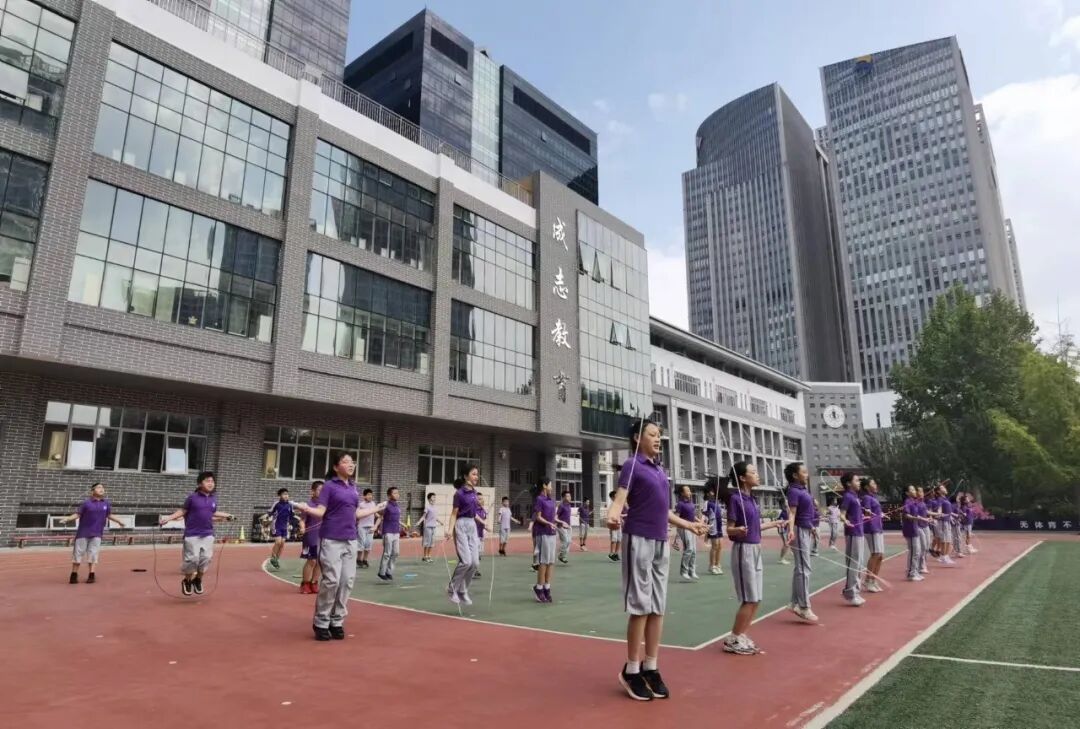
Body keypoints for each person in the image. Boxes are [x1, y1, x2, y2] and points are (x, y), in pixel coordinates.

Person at [608, 418, 706, 700]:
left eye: (659, 434)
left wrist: (689, 525)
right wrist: (612, 514)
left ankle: (651, 666)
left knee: (657, 606)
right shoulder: (632, 465)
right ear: (637, 438)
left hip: (661, 540)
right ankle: (631, 669)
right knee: (640, 606)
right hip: (638, 539)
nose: (658, 438)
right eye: (652, 434)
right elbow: (620, 498)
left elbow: (664, 510)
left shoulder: (660, 470)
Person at [295, 452, 385, 641]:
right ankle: (321, 621)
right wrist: (307, 508)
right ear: (336, 467)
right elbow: (321, 511)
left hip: (350, 539)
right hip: (331, 539)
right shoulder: (329, 486)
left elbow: (355, 513)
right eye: (346, 462)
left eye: (352, 462)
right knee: (331, 581)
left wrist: (376, 509)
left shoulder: (353, 487)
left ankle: (336, 620)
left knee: (346, 581)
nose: (351, 465)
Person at [724, 461, 786, 655]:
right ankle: (733, 639)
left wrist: (774, 523)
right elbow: (729, 529)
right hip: (744, 551)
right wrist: (738, 530)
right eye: (753, 472)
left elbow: (755, 527)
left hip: (756, 548)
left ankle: (742, 634)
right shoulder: (736, 499)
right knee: (749, 598)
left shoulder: (752, 499)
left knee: (757, 598)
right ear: (743, 478)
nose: (758, 475)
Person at [159, 472, 235, 597]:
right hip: (192, 534)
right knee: (192, 559)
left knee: (206, 559)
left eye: (212, 481)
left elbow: (212, 513)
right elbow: (183, 510)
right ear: (200, 484)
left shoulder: (213, 499)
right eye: (207, 481)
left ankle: (198, 580)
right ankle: (187, 581)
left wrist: (228, 516)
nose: (210, 483)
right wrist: (168, 518)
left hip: (208, 534)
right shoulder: (192, 498)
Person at [59, 482, 126, 584]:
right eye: (98, 487)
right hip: (83, 533)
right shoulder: (86, 503)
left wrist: (119, 521)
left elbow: (109, 515)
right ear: (92, 491)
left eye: (103, 487)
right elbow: (78, 514)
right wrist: (67, 519)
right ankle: (73, 575)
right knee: (78, 554)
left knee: (93, 554)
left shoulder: (106, 503)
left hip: (97, 533)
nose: (101, 489)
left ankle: (91, 575)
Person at [784, 462, 818, 623]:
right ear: (795, 475)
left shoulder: (803, 490)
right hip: (798, 530)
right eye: (804, 472)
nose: (807, 474)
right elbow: (792, 513)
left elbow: (806, 513)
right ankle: (804, 607)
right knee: (804, 568)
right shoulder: (793, 491)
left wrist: (811, 526)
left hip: (805, 528)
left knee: (801, 568)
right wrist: (791, 530)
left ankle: (794, 603)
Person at [446, 464, 482, 606]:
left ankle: (462, 590)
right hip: (461, 525)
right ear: (466, 476)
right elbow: (454, 513)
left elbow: (473, 513)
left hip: (472, 525)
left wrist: (483, 523)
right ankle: (452, 588)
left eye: (477, 474)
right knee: (466, 561)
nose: (476, 477)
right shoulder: (459, 494)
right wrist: (450, 530)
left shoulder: (474, 492)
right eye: (474, 474)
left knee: (475, 562)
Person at [838, 473, 866, 606]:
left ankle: (856, 591)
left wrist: (863, 517)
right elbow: (842, 514)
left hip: (859, 532)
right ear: (849, 483)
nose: (859, 482)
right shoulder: (848, 496)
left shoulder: (855, 496)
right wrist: (846, 521)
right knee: (853, 563)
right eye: (856, 480)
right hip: (853, 532)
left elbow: (855, 514)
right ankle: (850, 592)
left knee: (859, 563)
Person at [532, 479, 558, 602]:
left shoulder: (551, 500)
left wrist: (559, 522)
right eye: (550, 485)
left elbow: (553, 518)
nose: (551, 488)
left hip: (552, 533)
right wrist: (548, 523)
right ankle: (539, 588)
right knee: (543, 561)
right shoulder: (539, 499)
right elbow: (538, 517)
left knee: (551, 561)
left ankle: (547, 587)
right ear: (544, 486)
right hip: (542, 533)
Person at [299, 480, 324, 594]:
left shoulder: (325, 506)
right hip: (311, 536)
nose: (322, 493)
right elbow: (302, 520)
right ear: (312, 491)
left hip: (323, 536)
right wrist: (302, 527)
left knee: (320, 561)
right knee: (312, 560)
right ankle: (305, 583)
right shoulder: (307, 505)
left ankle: (314, 582)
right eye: (319, 490)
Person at [861, 478, 885, 593]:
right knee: (875, 554)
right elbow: (867, 512)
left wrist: (880, 514)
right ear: (867, 487)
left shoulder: (874, 497)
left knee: (880, 556)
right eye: (873, 483)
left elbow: (874, 512)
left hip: (878, 528)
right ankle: (868, 580)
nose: (875, 485)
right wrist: (871, 514)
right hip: (872, 529)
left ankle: (874, 580)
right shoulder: (866, 498)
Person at [375, 486, 401, 581]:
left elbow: (396, 518)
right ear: (389, 495)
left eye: (398, 493)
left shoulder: (397, 506)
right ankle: (382, 572)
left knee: (396, 552)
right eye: (395, 493)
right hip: (388, 532)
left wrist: (403, 525)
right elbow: (379, 514)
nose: (397, 495)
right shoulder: (386, 505)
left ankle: (389, 572)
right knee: (387, 553)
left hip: (396, 532)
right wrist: (375, 526)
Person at [901, 485, 926, 582]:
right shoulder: (907, 502)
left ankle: (915, 571)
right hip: (910, 529)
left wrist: (924, 519)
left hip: (915, 528)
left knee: (917, 551)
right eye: (912, 489)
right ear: (907, 493)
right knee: (913, 552)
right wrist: (916, 518)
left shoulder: (914, 502)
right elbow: (906, 515)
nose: (914, 491)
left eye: (914, 489)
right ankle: (911, 574)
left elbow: (916, 515)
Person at [674, 484, 699, 581]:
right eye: (687, 490)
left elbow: (692, 516)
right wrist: (677, 532)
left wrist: (699, 521)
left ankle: (692, 571)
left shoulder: (691, 503)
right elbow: (676, 517)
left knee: (694, 551)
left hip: (692, 528)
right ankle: (684, 571)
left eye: (689, 490)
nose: (689, 492)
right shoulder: (680, 504)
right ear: (682, 493)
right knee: (689, 549)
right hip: (684, 528)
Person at [266, 487, 293, 571]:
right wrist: (267, 517)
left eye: (287, 494)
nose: (286, 496)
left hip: (285, 526)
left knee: (282, 544)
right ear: (280, 495)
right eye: (284, 494)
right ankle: (273, 557)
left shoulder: (290, 505)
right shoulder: (276, 504)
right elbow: (270, 512)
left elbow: (292, 515)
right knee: (278, 542)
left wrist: (292, 524)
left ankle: (276, 560)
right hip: (276, 525)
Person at [704, 483, 725, 575]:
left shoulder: (716, 503)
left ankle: (717, 564)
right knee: (715, 545)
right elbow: (704, 515)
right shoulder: (707, 503)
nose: (714, 493)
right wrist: (705, 527)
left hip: (719, 526)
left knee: (720, 546)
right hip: (713, 526)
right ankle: (711, 566)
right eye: (712, 491)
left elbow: (719, 515)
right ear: (708, 493)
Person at [356, 488, 376, 569]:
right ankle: (359, 559)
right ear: (364, 496)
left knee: (368, 544)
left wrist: (380, 516)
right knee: (361, 543)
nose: (370, 496)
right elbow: (357, 515)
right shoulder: (361, 505)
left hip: (371, 527)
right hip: (362, 527)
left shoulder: (373, 504)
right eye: (368, 495)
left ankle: (365, 560)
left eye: (371, 495)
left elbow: (375, 513)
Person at [420, 492, 442, 563]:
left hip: (433, 527)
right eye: (433, 497)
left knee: (432, 542)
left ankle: (429, 556)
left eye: (435, 497)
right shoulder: (427, 507)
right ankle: (425, 556)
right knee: (427, 542)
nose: (434, 498)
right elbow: (423, 516)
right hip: (428, 527)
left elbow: (435, 517)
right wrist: (419, 522)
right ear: (429, 499)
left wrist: (440, 522)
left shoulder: (435, 508)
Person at [915, 487, 932, 575]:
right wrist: (925, 519)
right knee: (923, 546)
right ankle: (921, 566)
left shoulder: (923, 503)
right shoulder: (915, 503)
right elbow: (916, 515)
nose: (921, 493)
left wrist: (937, 514)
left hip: (926, 526)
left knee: (927, 546)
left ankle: (923, 563)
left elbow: (926, 512)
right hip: (919, 527)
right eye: (919, 491)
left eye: (922, 491)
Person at [556, 490, 573, 564]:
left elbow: (566, 515)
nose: (569, 497)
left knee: (568, 542)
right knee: (565, 541)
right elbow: (555, 517)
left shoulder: (569, 505)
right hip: (561, 527)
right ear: (563, 497)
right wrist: (562, 522)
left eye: (570, 496)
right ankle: (561, 555)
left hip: (568, 527)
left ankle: (562, 556)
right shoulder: (561, 506)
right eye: (567, 496)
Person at [474, 494, 488, 576]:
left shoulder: (483, 510)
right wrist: (483, 522)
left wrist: (486, 528)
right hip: (474, 534)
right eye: (479, 499)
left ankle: (475, 569)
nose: (481, 500)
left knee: (479, 554)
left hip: (481, 534)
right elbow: (476, 518)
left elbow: (484, 521)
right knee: (474, 553)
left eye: (481, 499)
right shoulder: (473, 509)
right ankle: (473, 570)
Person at [608, 489, 623, 562]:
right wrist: (615, 519)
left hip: (618, 524)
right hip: (613, 524)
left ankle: (616, 553)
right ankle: (611, 553)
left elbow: (619, 514)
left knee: (619, 539)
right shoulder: (612, 506)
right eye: (615, 496)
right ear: (612, 498)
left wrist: (621, 519)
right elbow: (610, 516)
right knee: (614, 539)